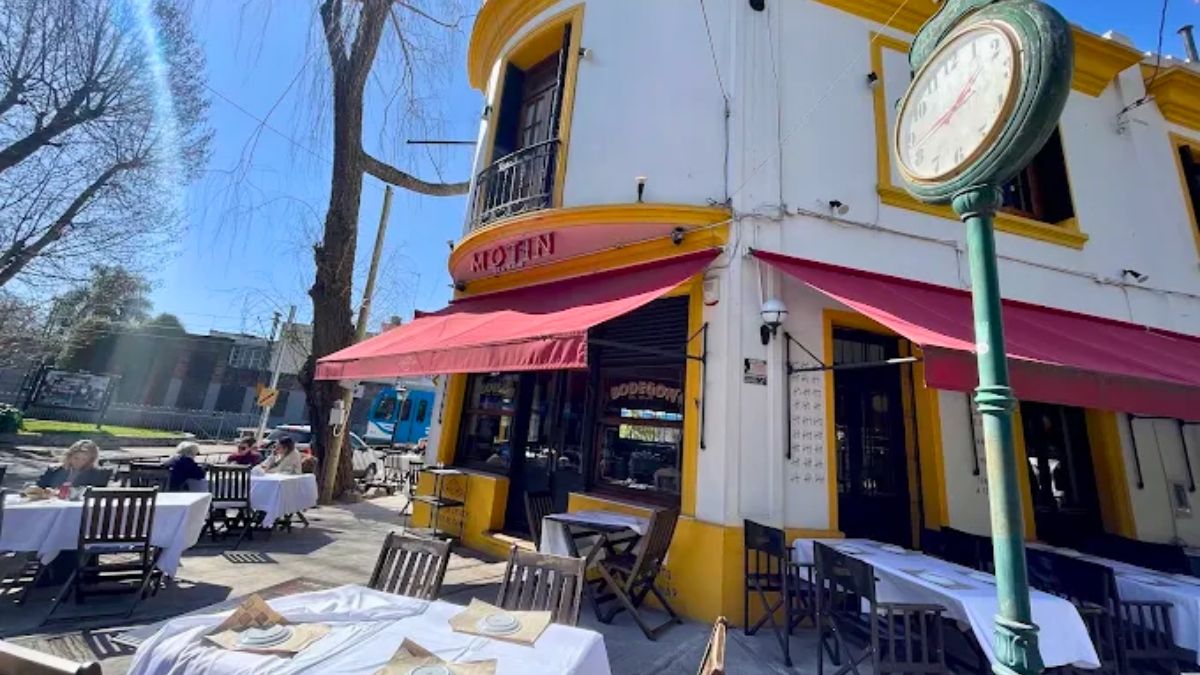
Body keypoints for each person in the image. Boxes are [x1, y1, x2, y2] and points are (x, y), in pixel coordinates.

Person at [36, 439, 107, 488]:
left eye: (84, 459)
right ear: (69, 456)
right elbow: (39, 486)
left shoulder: (96, 474)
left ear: (90, 460)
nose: (79, 462)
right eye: (76, 458)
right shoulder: (54, 470)